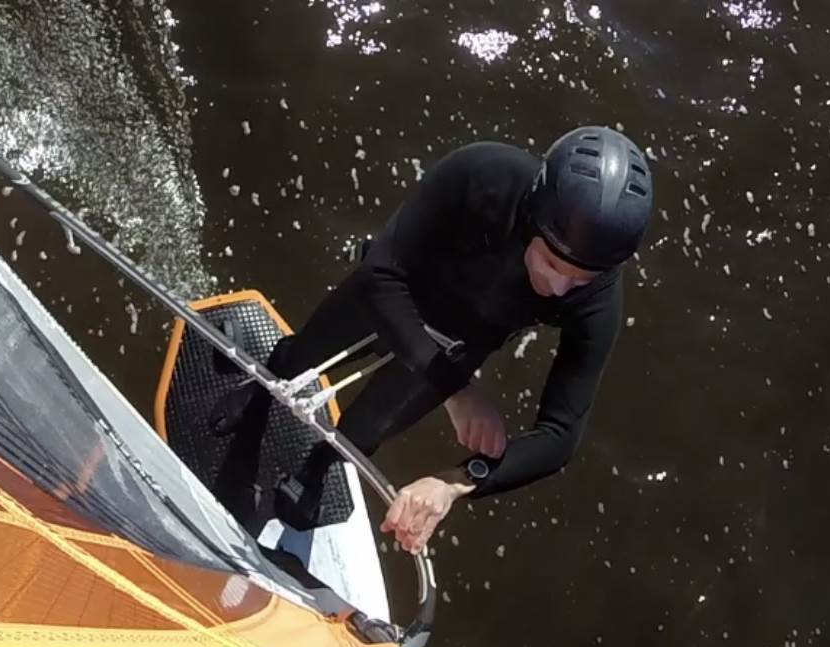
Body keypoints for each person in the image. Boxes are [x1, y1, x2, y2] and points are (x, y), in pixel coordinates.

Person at [212, 126, 654, 553]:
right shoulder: (481, 173)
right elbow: (379, 272)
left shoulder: (599, 298)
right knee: (302, 356)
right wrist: (456, 391)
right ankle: (258, 399)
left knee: (367, 428)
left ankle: (317, 468)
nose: (559, 289)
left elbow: (560, 437)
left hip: (458, 345)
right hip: (394, 294)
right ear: (533, 217)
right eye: (552, 264)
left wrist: (453, 482)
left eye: (579, 280)